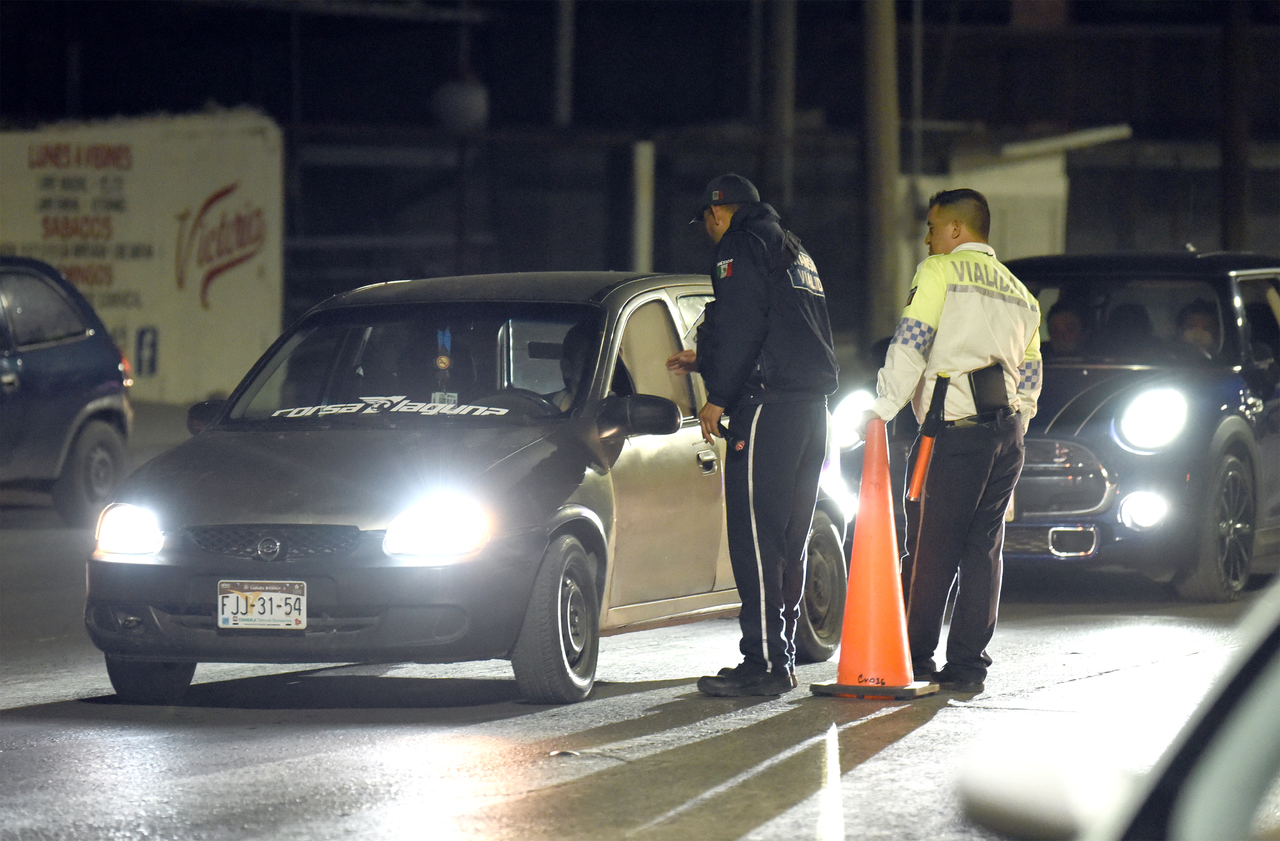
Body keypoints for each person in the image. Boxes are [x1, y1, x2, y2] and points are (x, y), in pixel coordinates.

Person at [859, 188, 1041, 694]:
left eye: (934, 228)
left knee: (930, 549)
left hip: (953, 432)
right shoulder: (1021, 294)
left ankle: (914, 661)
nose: (927, 238)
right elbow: (1030, 376)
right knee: (984, 551)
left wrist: (882, 408)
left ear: (957, 230)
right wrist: (1016, 426)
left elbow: (911, 343)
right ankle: (967, 668)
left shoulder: (939, 272)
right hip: (1006, 435)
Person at [666, 173, 839, 697]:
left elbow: (743, 323)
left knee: (757, 541)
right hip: (812, 412)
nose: (709, 232)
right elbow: (779, 328)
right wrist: (707, 357)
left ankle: (763, 663)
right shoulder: (792, 247)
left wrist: (717, 394)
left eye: (707, 223)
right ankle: (779, 657)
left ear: (719, 213)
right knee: (788, 540)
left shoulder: (740, 245)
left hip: (768, 410)